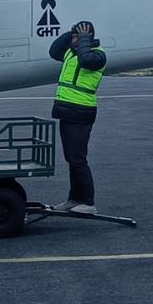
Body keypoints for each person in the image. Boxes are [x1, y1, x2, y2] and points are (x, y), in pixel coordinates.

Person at [49, 21, 106, 214]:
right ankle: (74, 199)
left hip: (81, 112)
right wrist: (69, 33)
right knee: (71, 158)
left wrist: (83, 40)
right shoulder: (70, 52)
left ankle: (88, 203)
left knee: (78, 159)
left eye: (78, 37)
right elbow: (54, 50)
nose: (74, 41)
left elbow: (87, 61)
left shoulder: (98, 55)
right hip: (66, 110)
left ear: (87, 39)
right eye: (73, 37)